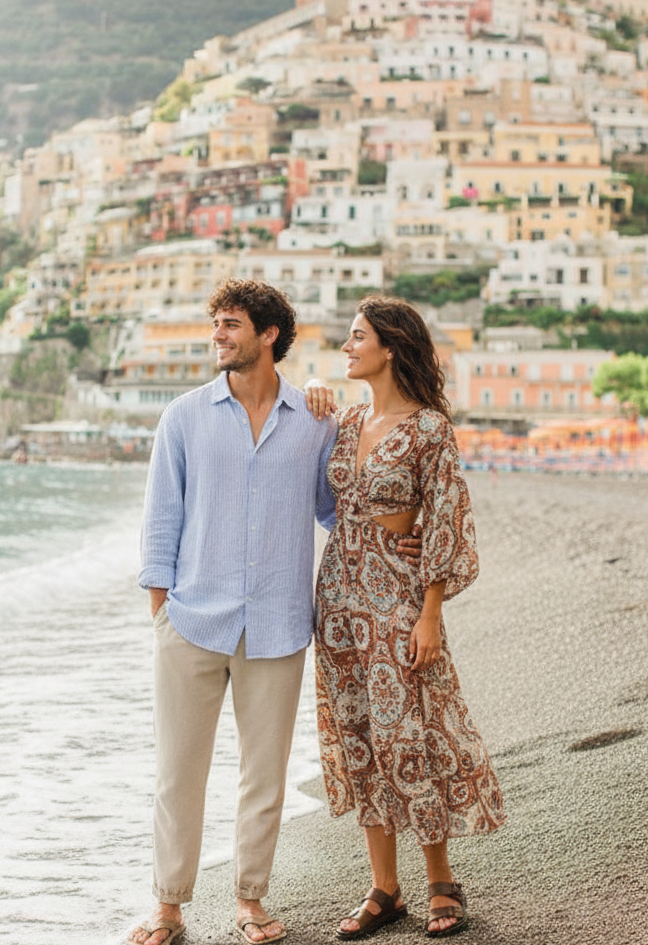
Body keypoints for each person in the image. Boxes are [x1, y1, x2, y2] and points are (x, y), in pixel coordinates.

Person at [132, 280, 426, 945]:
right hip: (192, 623)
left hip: (278, 626)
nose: (219, 337)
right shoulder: (183, 417)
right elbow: (160, 525)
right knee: (178, 773)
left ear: (268, 335)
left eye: (231, 326)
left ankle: (250, 902)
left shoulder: (315, 421)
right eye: (216, 326)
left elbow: (335, 510)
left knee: (261, 775)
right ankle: (169, 908)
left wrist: (398, 535)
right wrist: (163, 615)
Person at [306, 297, 505, 939]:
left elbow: (447, 519)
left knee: (409, 736)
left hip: (397, 600)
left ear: (390, 347)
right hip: (338, 599)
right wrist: (309, 389)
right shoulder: (345, 422)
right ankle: (384, 890)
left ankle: (441, 880)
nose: (346, 346)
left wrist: (429, 614)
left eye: (357, 337)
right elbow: (325, 499)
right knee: (361, 737)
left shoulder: (429, 430)